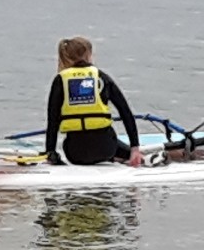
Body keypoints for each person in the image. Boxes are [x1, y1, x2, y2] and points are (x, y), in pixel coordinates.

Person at [46, 35, 142, 166]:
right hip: (106, 149)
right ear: (88, 54)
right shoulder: (101, 78)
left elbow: (52, 120)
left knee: (81, 141)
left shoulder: (60, 80)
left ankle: (118, 158)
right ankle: (130, 158)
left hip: (75, 154)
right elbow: (125, 112)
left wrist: (50, 152)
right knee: (113, 145)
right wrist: (134, 148)